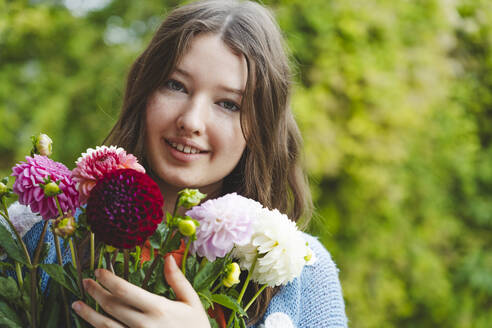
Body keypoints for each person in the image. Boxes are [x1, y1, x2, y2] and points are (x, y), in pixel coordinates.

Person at [21, 0, 348, 327]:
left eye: (228, 104)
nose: (191, 121)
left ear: (262, 126)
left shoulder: (306, 276)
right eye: (176, 85)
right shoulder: (44, 236)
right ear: (144, 91)